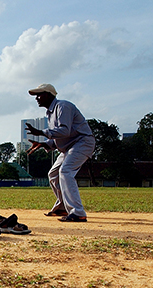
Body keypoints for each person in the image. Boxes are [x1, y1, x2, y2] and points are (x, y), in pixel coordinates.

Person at [25, 84, 95, 222]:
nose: (37, 98)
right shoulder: (50, 113)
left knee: (66, 171)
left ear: (50, 94)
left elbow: (64, 131)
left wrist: (41, 132)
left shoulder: (63, 106)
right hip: (69, 146)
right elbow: (60, 137)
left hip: (82, 142)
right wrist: (44, 143)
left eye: (39, 94)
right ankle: (63, 207)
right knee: (53, 174)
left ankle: (78, 212)